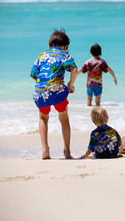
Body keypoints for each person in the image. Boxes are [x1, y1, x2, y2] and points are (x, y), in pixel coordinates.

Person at [30, 29, 78, 160]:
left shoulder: (41, 55)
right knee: (64, 118)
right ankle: (67, 151)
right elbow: (74, 70)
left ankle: (45, 149)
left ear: (49, 45)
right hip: (57, 93)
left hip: (40, 93)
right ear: (66, 46)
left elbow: (33, 74)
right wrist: (70, 85)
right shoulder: (64, 55)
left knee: (43, 118)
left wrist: (43, 85)